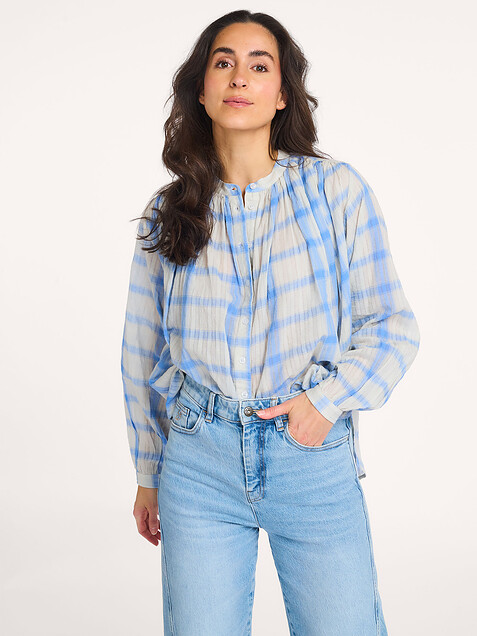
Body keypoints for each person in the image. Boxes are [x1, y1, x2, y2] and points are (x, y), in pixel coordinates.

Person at [120, 9, 420, 636]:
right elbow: (141, 352)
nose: (239, 78)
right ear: (201, 89)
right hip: (198, 462)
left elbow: (392, 327)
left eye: (260, 66)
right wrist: (148, 474)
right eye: (223, 62)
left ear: (282, 93)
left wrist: (325, 403)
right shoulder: (167, 212)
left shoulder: (335, 192)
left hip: (309, 456)